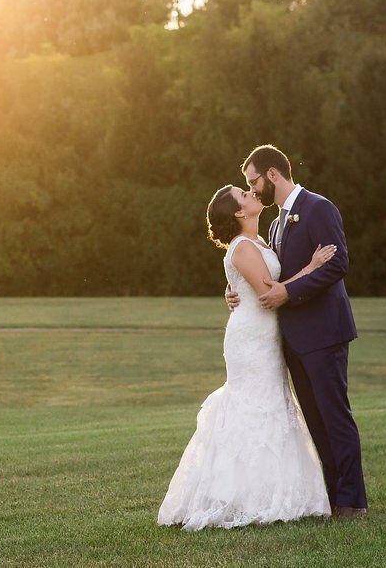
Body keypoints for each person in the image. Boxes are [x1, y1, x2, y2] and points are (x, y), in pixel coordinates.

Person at [157, 184, 336, 530]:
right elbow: (270, 294)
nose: (253, 194)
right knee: (252, 404)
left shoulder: (261, 240)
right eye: (244, 194)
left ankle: (274, 491)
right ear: (239, 212)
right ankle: (239, 495)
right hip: (250, 339)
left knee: (272, 402)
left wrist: (233, 289)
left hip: (267, 335)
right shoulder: (242, 247)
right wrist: (313, 267)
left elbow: (255, 284)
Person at [228, 144, 367, 518]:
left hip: (324, 332)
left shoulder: (318, 208)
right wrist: (236, 288)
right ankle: (333, 498)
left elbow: (338, 262)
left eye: (253, 182)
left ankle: (353, 501)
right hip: (292, 340)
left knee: (335, 417)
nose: (253, 190)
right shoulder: (274, 225)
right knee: (316, 422)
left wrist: (289, 290)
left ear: (272, 174)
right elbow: (270, 274)